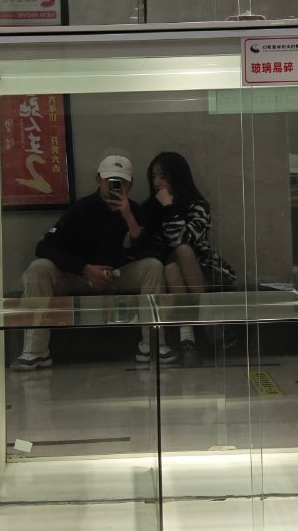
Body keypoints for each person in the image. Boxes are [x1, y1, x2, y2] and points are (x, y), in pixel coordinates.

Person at [11, 154, 178, 371]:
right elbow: (45, 247)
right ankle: (35, 350)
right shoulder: (82, 208)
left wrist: (128, 217)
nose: (115, 187)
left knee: (153, 267)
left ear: (130, 185)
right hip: (79, 275)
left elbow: (149, 251)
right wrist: (84, 268)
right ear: (98, 180)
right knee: (38, 268)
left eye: (121, 182)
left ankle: (153, 344)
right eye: (110, 181)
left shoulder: (135, 211)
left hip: (117, 275)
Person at [140, 152, 237, 365]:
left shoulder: (198, 206)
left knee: (181, 255)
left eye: (163, 177)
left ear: (177, 177)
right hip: (165, 267)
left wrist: (170, 208)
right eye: (153, 177)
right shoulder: (149, 209)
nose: (156, 182)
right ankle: (208, 323)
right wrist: (166, 208)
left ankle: (187, 337)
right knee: (171, 266)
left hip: (200, 267)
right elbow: (155, 249)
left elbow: (185, 240)